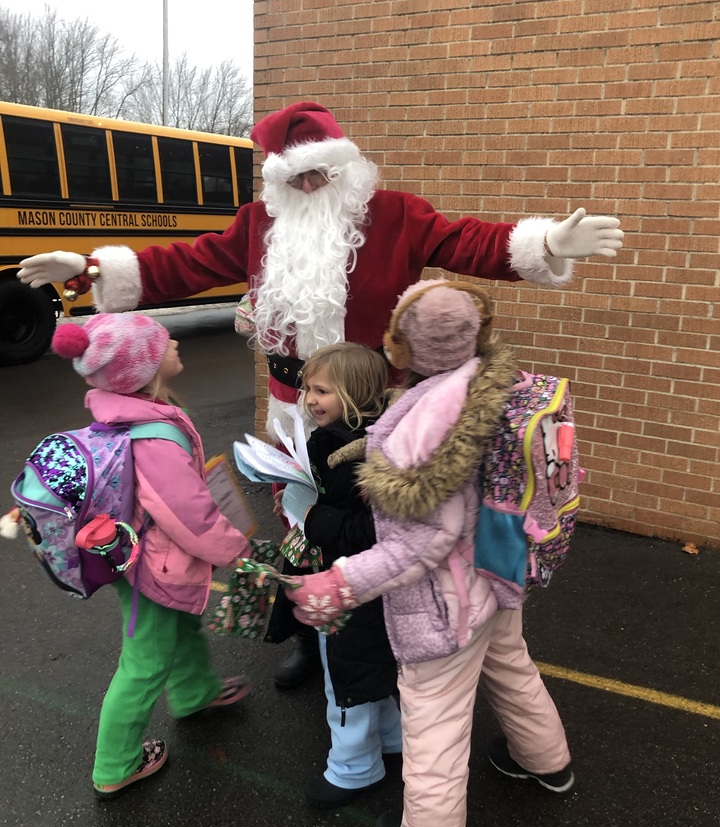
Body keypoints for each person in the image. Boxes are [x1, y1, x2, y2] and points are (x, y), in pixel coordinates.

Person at [17, 99, 624, 689]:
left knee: (383, 526)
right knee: (301, 519)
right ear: (279, 182)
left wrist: (545, 246)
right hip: (293, 406)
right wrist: (92, 269)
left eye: (320, 173)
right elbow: (188, 264)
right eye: (296, 176)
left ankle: (381, 639)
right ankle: (313, 637)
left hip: (378, 408)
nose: (309, 186)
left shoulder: (397, 214)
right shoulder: (260, 224)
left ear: (346, 170)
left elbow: (467, 242)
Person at [285, 280, 574, 827]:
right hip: (498, 574)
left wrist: (338, 584)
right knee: (512, 669)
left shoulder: (419, 433)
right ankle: (547, 761)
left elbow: (420, 542)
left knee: (436, 716)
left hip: (445, 604)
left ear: (401, 343)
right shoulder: (491, 385)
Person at [50, 312, 253, 796]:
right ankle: (115, 765)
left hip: (137, 557)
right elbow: (190, 515)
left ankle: (195, 692)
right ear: (141, 369)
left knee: (178, 626)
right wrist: (236, 549)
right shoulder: (153, 436)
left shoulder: (125, 412)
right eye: (163, 343)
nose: (175, 343)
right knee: (143, 663)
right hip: (156, 566)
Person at [272, 342, 401, 808]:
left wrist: (308, 513)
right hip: (364, 582)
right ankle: (392, 739)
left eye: (321, 389)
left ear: (357, 393)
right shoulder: (371, 437)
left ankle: (353, 768)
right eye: (307, 388)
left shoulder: (351, 454)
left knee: (343, 676)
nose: (309, 398)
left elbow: (367, 529)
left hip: (346, 584)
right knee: (369, 667)